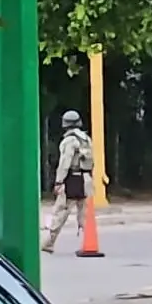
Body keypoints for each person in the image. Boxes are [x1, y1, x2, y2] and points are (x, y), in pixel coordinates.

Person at [42, 109, 94, 254]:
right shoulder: (86, 139)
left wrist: (59, 181)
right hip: (86, 179)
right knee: (84, 214)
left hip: (72, 179)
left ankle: (49, 243)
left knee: (61, 211)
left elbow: (65, 162)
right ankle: (89, 242)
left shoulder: (69, 140)